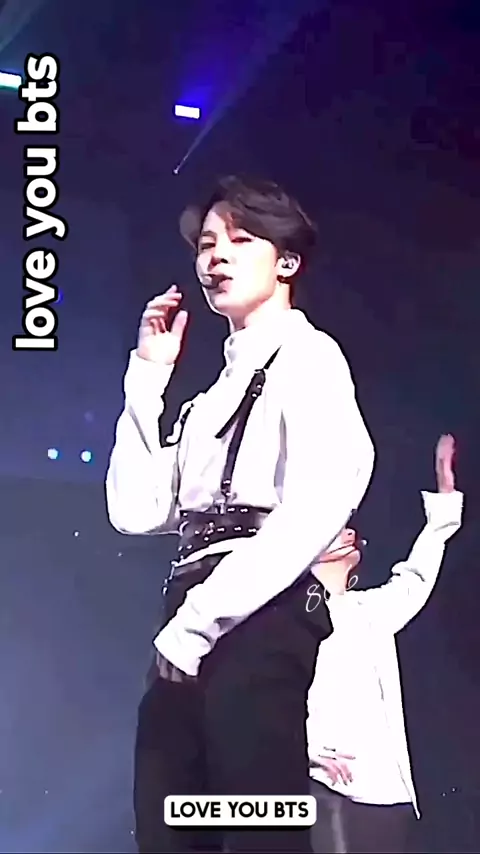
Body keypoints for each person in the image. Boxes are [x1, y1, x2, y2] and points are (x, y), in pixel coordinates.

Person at [105, 175, 375, 853]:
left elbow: (320, 498)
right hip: (186, 615)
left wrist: (200, 623)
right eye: (206, 243)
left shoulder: (309, 356)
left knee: (259, 824)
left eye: (241, 239)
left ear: (287, 261)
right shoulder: (206, 402)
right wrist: (147, 378)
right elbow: (134, 509)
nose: (216, 256)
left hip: (260, 616)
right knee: (169, 826)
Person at [306, 434, 463, 854]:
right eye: (334, 530)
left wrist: (445, 500)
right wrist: (306, 752)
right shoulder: (289, 621)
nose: (349, 533)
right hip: (334, 789)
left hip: (390, 793)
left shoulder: (366, 610)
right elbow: (263, 701)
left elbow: (415, 577)